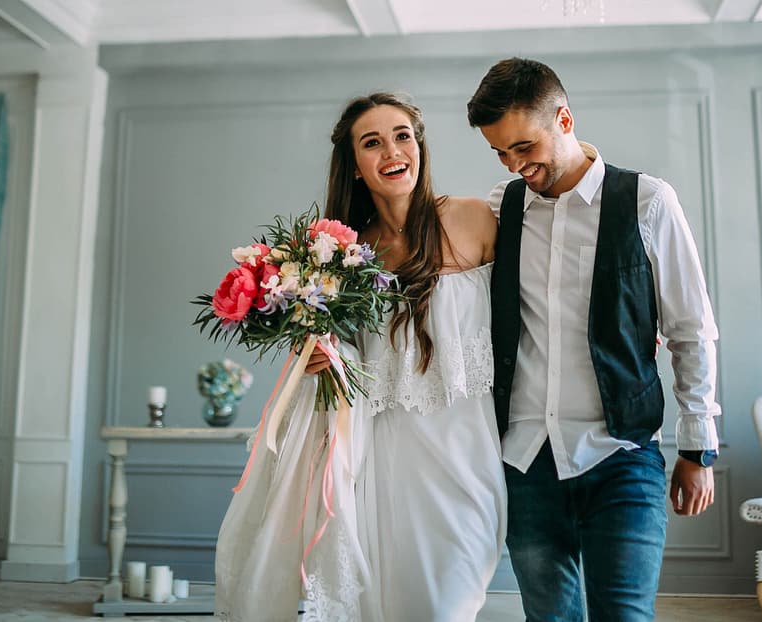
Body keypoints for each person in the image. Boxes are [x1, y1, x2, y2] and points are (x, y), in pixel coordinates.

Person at [215, 92, 506, 622]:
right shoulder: (346, 259)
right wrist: (322, 356)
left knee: (447, 605)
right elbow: (342, 351)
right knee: (384, 606)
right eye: (372, 142)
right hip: (382, 455)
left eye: (402, 136)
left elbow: (536, 304)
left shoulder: (476, 219)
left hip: (466, 451)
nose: (393, 151)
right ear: (354, 166)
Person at [467, 57, 722, 622]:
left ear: (563, 119)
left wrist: (697, 447)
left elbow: (691, 330)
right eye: (500, 153)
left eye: (524, 147)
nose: (515, 165)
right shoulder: (499, 210)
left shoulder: (648, 202)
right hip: (524, 461)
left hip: (622, 456)